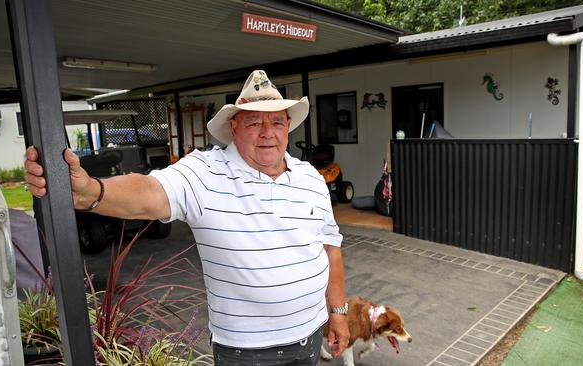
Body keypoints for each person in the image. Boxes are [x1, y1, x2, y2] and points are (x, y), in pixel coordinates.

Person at [25, 70, 349, 365]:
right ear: (234, 128)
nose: (268, 133)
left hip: (310, 335)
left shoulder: (309, 176)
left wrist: (337, 313)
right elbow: (151, 193)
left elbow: (330, 248)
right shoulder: (205, 172)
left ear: (288, 127)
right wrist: (90, 192)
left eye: (277, 122)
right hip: (248, 351)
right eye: (254, 122)